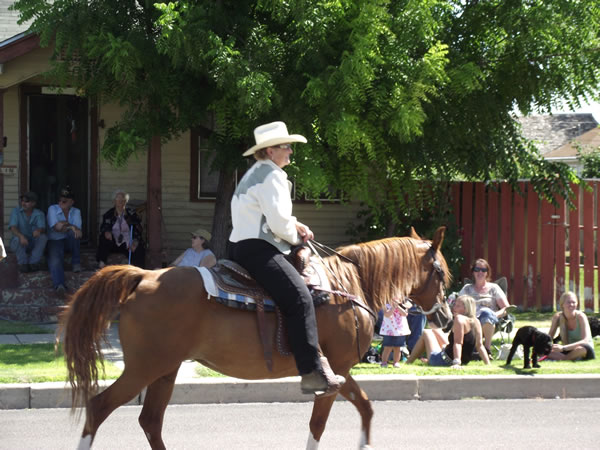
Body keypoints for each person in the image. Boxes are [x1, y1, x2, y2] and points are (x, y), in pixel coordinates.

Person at [228, 121, 345, 396]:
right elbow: (279, 225)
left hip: (241, 246)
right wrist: (296, 235)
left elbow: (269, 214)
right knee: (300, 298)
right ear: (270, 151)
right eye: (286, 146)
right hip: (260, 249)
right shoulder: (272, 176)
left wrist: (295, 224)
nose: (291, 151)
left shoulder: (254, 174)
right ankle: (311, 372)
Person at [406, 295, 490, 367]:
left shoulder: (459, 319)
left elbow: (458, 343)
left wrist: (456, 362)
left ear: (466, 308)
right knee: (435, 330)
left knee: (426, 332)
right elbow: (480, 346)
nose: (454, 307)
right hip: (463, 360)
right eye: (455, 305)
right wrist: (488, 364)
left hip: (444, 361)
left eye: (458, 306)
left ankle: (408, 362)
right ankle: (425, 357)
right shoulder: (476, 321)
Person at [458, 258, 511, 356]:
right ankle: (472, 349)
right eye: (477, 269)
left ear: (487, 273)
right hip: (470, 321)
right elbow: (458, 305)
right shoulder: (467, 288)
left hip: (488, 320)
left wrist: (494, 315)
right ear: (473, 272)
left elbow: (506, 308)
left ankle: (487, 349)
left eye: (483, 270)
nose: (480, 272)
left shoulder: (494, 288)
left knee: (486, 313)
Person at [96, 189, 145, 268]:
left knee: (139, 247)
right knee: (103, 238)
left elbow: (138, 230)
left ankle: (138, 269)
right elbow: (104, 227)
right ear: (114, 201)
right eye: (118, 198)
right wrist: (107, 232)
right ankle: (102, 263)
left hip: (127, 243)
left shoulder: (131, 214)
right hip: (114, 243)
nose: (121, 200)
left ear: (126, 201)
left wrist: (135, 241)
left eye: (123, 198)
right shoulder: (109, 214)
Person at [47, 186, 82, 295]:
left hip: (69, 240)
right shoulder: (52, 209)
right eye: (60, 199)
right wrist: (71, 226)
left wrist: (67, 225)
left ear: (72, 202)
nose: (61, 202)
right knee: (55, 259)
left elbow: (78, 229)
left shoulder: (76, 211)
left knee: (74, 233)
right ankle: (59, 285)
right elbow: (57, 228)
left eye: (65, 200)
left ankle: (76, 263)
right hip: (55, 240)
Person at [547, 291, 595, 361]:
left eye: (574, 302)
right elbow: (549, 338)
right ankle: (568, 358)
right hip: (568, 350)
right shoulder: (557, 317)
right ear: (562, 304)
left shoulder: (581, 316)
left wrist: (563, 348)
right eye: (568, 302)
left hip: (583, 349)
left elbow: (585, 340)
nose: (571, 304)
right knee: (543, 351)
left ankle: (563, 358)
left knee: (581, 349)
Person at [8, 191, 48, 273]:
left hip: (32, 242)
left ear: (33, 203)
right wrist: (21, 236)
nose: (23, 203)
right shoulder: (16, 211)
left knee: (43, 237)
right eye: (22, 201)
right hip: (20, 242)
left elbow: (42, 228)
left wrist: (38, 230)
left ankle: (33, 263)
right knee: (16, 239)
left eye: (27, 201)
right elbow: (13, 227)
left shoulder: (39, 213)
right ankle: (23, 264)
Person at [379, 301, 410, 368]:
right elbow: (387, 314)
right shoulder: (385, 305)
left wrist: (398, 306)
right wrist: (393, 307)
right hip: (389, 329)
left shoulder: (403, 305)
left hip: (399, 330)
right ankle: (384, 362)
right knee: (387, 347)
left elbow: (405, 314)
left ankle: (396, 362)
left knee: (397, 347)